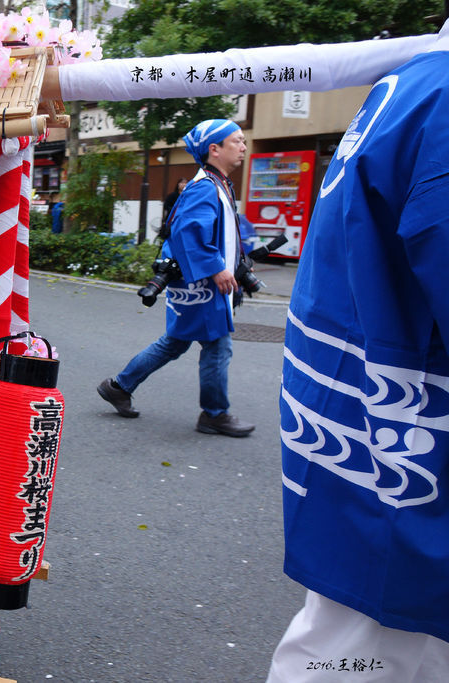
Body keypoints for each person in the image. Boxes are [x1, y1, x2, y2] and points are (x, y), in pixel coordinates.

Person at [267, 24, 449, 680]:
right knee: (372, 645)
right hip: (411, 441)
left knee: (358, 640)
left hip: (359, 420)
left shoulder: (410, 86)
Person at [96, 119, 254, 437]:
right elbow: (186, 231)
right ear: (215, 149)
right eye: (236, 141)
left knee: (176, 342)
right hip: (204, 286)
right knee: (216, 346)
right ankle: (214, 414)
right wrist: (216, 268)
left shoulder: (212, 183)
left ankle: (119, 386)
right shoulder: (206, 186)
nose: (243, 146)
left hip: (198, 284)